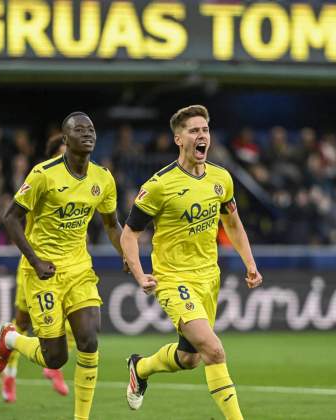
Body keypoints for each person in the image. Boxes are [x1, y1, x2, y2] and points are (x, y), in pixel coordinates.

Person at [121, 105, 262, 420]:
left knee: (189, 358)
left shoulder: (221, 178)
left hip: (208, 278)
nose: (202, 136)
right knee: (214, 351)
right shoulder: (159, 185)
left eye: (205, 130)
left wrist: (249, 262)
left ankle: (140, 368)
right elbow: (129, 235)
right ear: (178, 139)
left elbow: (233, 223)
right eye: (194, 131)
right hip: (173, 280)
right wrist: (140, 274)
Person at [0, 112, 126, 420]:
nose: (88, 133)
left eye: (91, 128)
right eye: (80, 130)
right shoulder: (43, 174)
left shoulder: (103, 178)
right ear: (66, 140)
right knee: (54, 358)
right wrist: (35, 260)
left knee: (90, 339)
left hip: (79, 269)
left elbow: (112, 224)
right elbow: (10, 218)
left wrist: (128, 256)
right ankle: (10, 338)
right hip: (44, 271)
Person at [0, 134, 74, 403]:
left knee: (77, 317)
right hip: (36, 265)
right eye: (63, 152)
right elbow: (13, 217)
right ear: (53, 154)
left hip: (67, 266)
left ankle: (51, 367)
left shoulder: (76, 184)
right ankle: (9, 374)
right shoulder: (40, 179)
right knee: (22, 322)